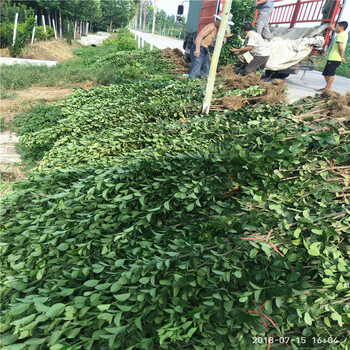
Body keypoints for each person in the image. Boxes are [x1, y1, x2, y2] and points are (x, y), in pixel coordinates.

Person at [188, 13, 234, 79]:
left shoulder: (216, 28)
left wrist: (227, 36)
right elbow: (200, 36)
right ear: (218, 20)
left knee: (205, 70)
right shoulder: (211, 27)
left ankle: (198, 81)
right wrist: (197, 49)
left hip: (204, 49)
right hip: (199, 47)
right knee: (197, 65)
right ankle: (191, 80)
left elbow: (217, 35)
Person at [316, 21, 348, 92]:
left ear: (341, 27)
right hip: (333, 58)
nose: (336, 27)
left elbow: (340, 48)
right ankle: (329, 88)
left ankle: (327, 88)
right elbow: (338, 33)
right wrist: (333, 29)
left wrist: (342, 57)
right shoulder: (344, 34)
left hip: (335, 58)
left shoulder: (340, 36)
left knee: (330, 74)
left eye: (337, 26)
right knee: (325, 73)